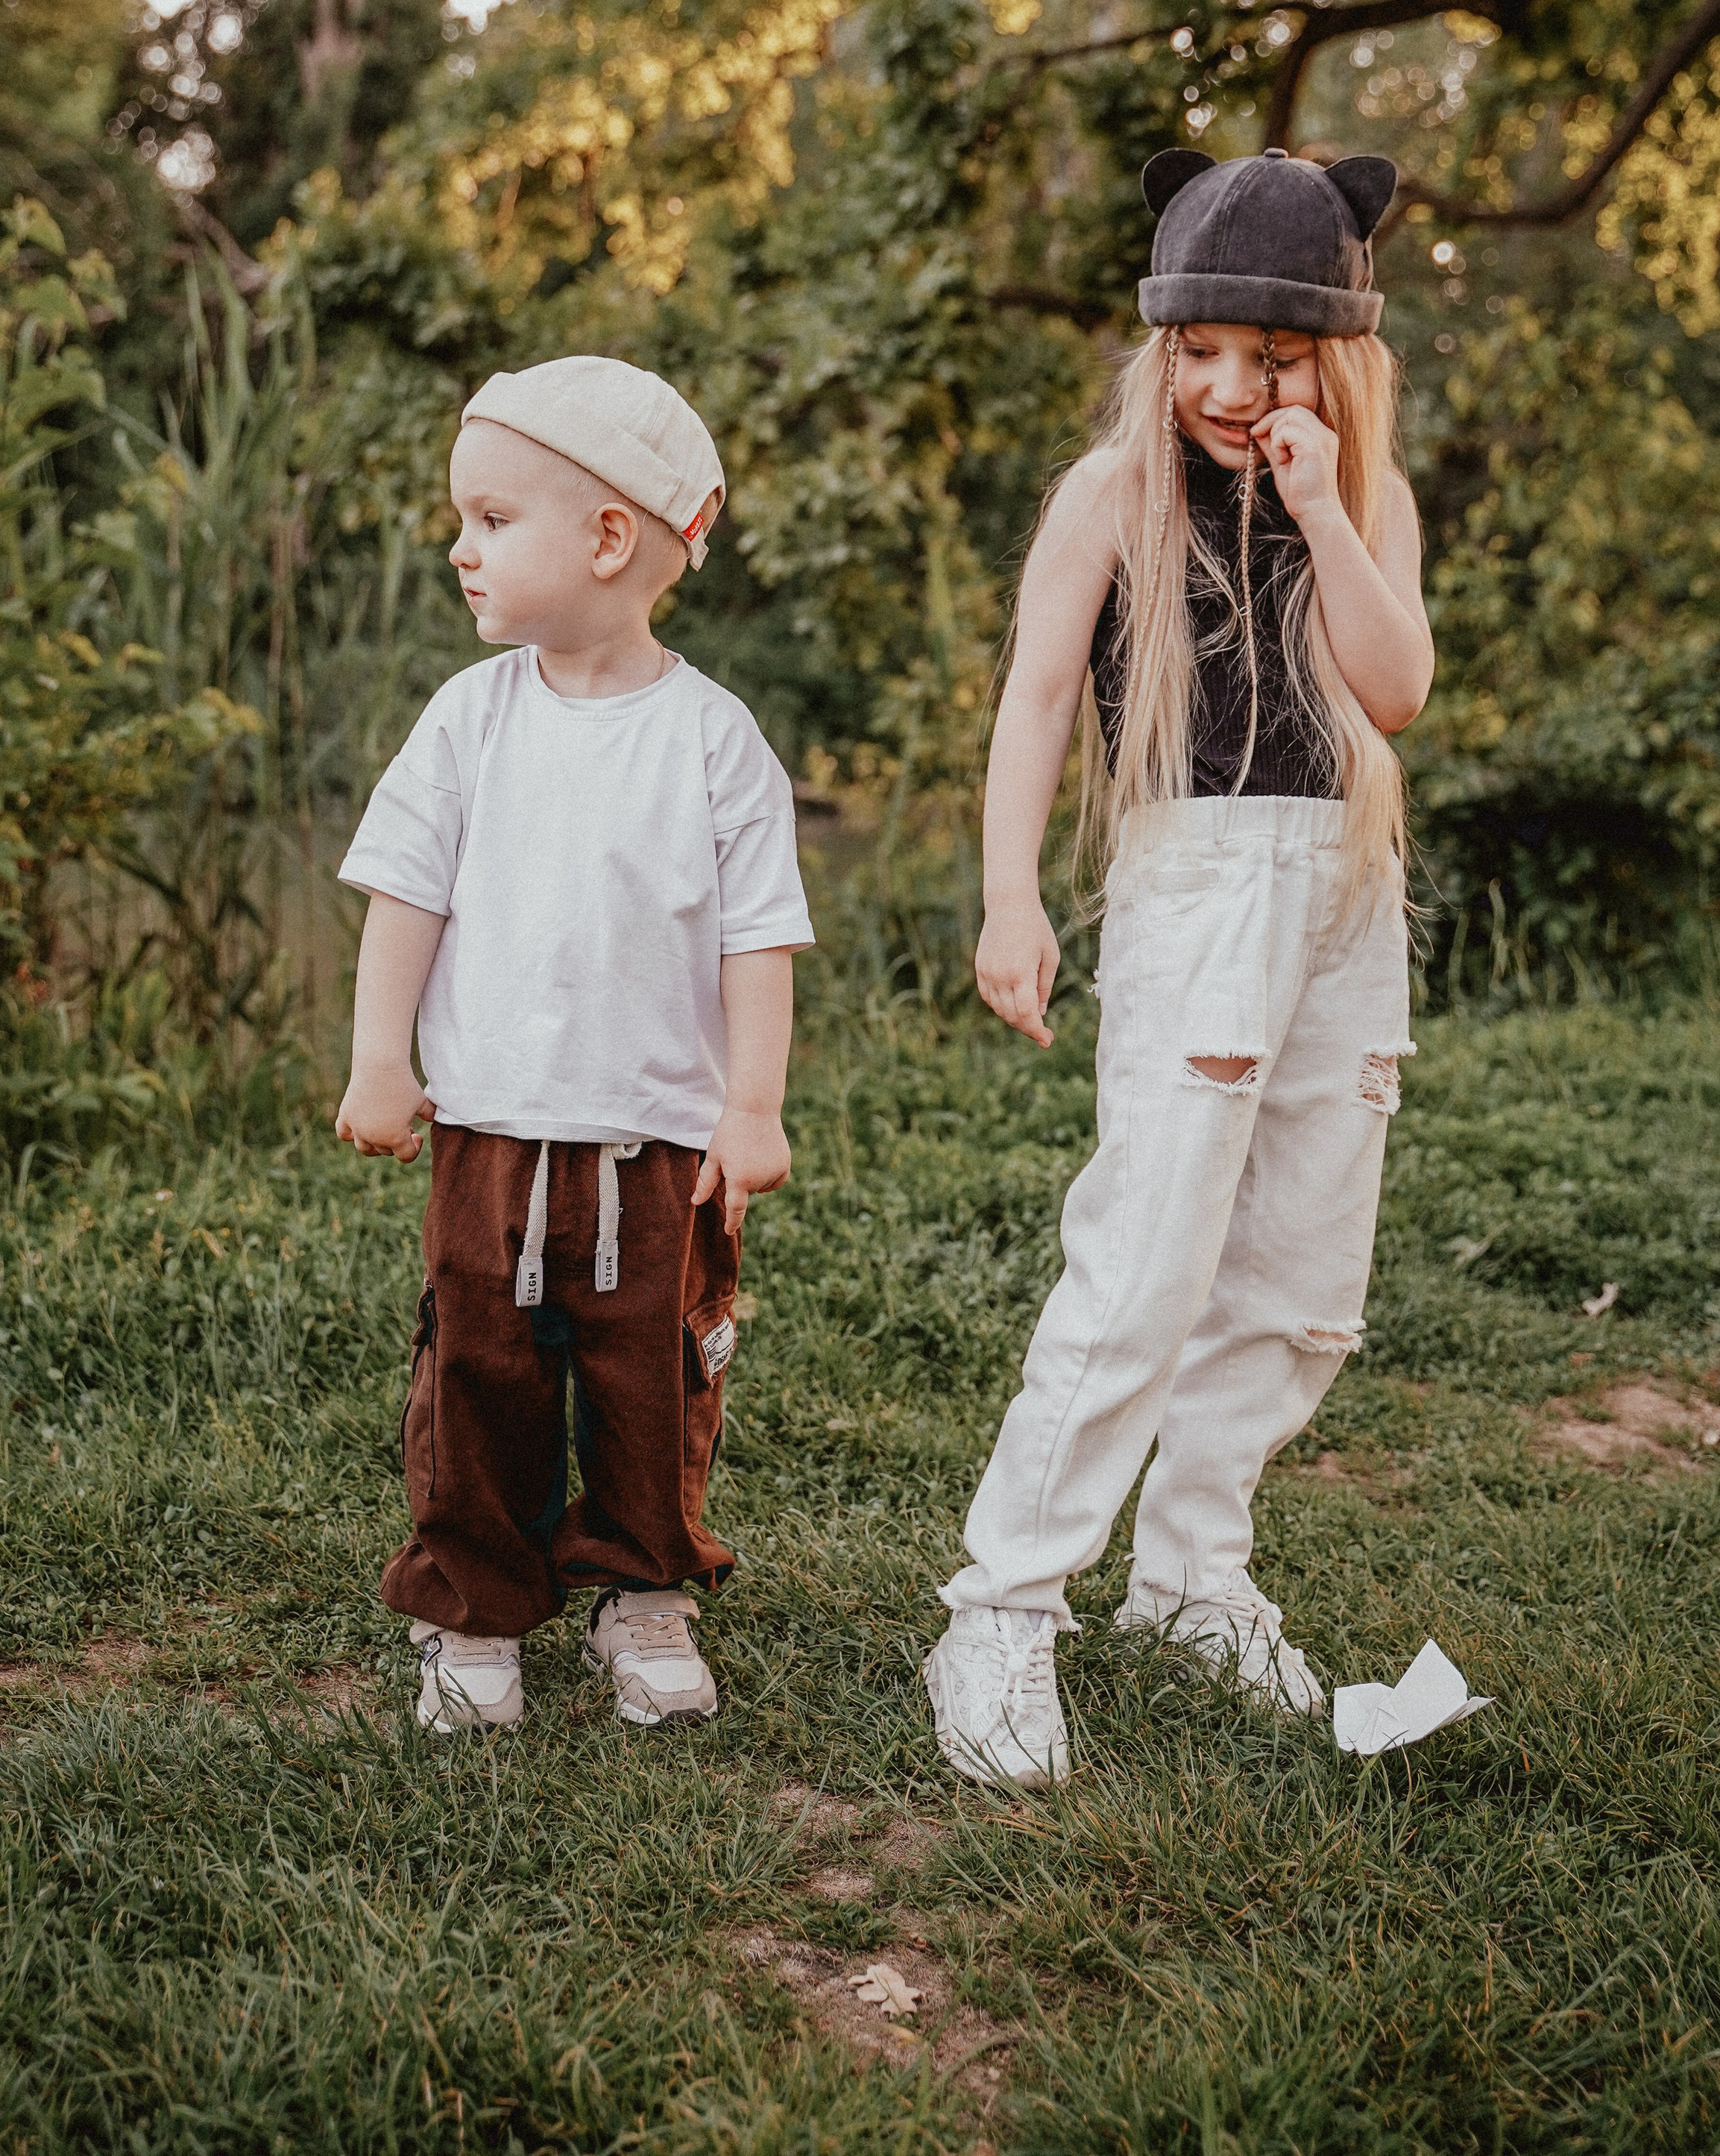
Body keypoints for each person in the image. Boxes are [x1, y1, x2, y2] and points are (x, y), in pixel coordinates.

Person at [924, 147, 1434, 1788]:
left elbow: (1396, 688)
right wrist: (1012, 898)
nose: (1226, 386)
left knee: (1296, 1278)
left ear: (1333, 356)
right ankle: (1000, 1608)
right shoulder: (1106, 492)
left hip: (1343, 889)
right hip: (1198, 882)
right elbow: (1031, 702)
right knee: (1144, 1259)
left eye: (1268, 356)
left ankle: (1192, 1576)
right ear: (1160, 346)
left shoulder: (1356, 497)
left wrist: (1312, 502)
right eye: (1197, 349)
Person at [334, 356, 811, 1735]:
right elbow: (403, 897)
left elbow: (755, 941)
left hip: (657, 1144)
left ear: (611, 540)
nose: (458, 547)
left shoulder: (716, 743)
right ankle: (475, 1608)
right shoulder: (469, 724)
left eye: (491, 519)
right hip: (491, 1128)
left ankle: (641, 1587)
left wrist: (754, 1108)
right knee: (480, 1369)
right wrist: (381, 1057)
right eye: (462, 521)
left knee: (649, 1377)